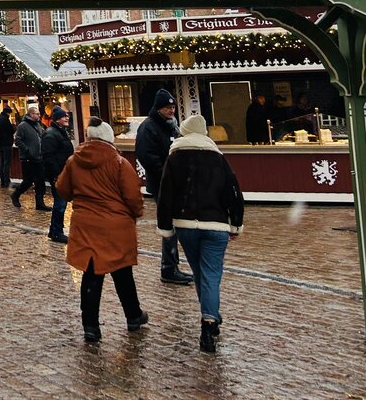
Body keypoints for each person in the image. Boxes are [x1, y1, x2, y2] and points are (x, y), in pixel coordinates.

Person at [156, 113, 244, 353]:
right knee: (211, 274)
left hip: (186, 225)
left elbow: (166, 194)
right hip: (215, 225)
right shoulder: (217, 158)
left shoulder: (175, 157)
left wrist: (166, 226)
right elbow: (233, 192)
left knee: (199, 272)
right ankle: (209, 322)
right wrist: (236, 222)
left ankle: (210, 315)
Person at [56, 116, 148, 343]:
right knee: (123, 272)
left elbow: (62, 189)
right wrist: (136, 213)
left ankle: (91, 326)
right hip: (115, 226)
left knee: (91, 275)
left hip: (86, 224)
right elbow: (132, 195)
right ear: (108, 138)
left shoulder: (73, 160)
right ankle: (133, 316)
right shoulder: (118, 162)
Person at [136, 89, 194, 285]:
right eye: (168, 107)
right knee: (169, 225)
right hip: (162, 183)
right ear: (159, 108)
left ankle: (172, 265)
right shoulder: (149, 128)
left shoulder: (170, 126)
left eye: (173, 107)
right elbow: (147, 156)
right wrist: (166, 174)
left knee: (175, 224)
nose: (172, 110)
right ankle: (168, 267)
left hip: (174, 182)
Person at [41, 106, 74, 243]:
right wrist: (56, 175)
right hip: (58, 173)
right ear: (57, 119)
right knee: (60, 203)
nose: (67, 118)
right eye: (63, 116)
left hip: (63, 172)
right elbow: (48, 157)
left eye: (67, 116)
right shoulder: (51, 134)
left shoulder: (60, 132)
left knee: (61, 202)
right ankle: (56, 231)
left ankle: (54, 230)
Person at [11, 104, 51, 211]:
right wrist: (27, 150)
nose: (39, 115)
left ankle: (40, 203)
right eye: (37, 114)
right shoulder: (23, 126)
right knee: (28, 181)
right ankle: (16, 194)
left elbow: (42, 136)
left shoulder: (38, 125)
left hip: (39, 157)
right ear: (31, 114)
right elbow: (17, 140)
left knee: (40, 181)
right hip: (28, 158)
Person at [0, 102, 15, 189]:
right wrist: (14, 126)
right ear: (8, 112)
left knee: (2, 162)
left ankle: (2, 182)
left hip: (0, 144)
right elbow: (11, 130)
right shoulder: (5, 119)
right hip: (7, 144)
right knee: (6, 163)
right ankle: (6, 181)